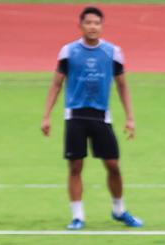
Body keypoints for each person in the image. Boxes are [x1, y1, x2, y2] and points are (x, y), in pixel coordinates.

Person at [41, 6, 143, 231]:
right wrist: (46, 116)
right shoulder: (68, 52)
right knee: (76, 166)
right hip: (75, 116)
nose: (92, 27)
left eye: (96, 23)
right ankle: (78, 217)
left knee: (113, 165)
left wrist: (130, 118)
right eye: (88, 23)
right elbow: (56, 84)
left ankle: (119, 210)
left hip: (101, 117)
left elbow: (122, 86)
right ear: (80, 25)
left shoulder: (112, 52)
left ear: (102, 26)